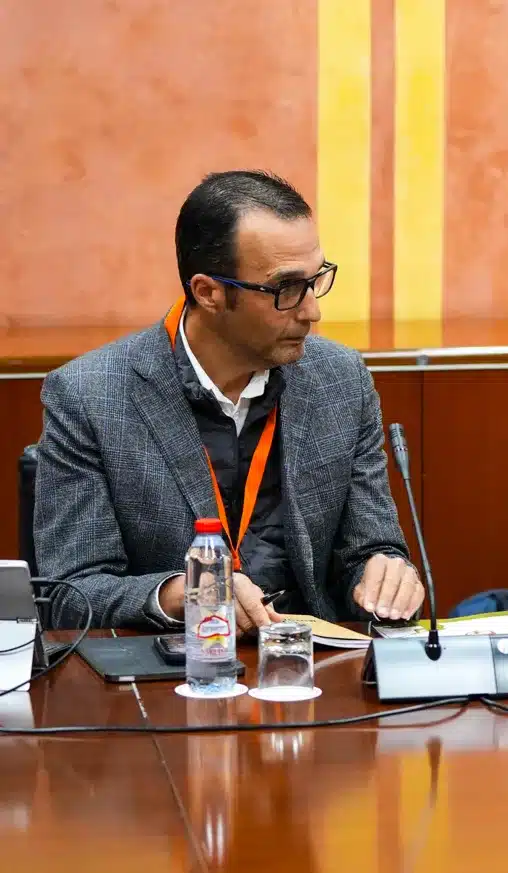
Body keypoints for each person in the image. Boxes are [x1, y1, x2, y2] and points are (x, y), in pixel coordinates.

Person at [35, 170, 424, 631]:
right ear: (209, 293)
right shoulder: (90, 396)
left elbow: (369, 549)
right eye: (286, 288)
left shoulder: (339, 381)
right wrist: (186, 592)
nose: (313, 310)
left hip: (313, 657)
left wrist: (385, 575)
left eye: (316, 279)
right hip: (177, 663)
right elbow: (70, 594)